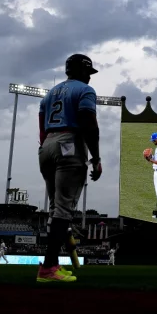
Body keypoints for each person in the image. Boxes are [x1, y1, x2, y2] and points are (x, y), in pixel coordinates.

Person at [35, 54, 103, 284]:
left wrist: (47, 145)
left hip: (46, 145)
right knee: (63, 210)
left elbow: (41, 126)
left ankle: (52, 265)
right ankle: (48, 268)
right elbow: (88, 123)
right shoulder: (85, 91)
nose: (89, 78)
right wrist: (96, 157)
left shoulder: (50, 93)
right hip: (70, 142)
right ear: (82, 72)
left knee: (56, 209)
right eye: (88, 73)